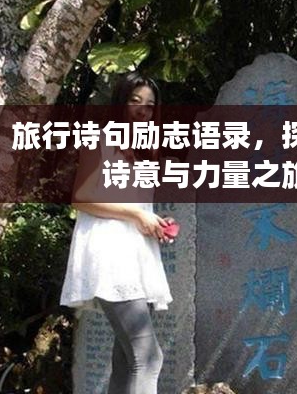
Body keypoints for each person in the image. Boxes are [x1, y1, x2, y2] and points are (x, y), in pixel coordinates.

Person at [60, 73, 175, 394]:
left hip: (136, 255)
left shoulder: (146, 149)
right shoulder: (100, 139)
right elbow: (81, 198)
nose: (142, 110)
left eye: (149, 105)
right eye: (134, 101)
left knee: (127, 360)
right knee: (148, 358)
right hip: (108, 253)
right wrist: (135, 214)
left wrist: (154, 221)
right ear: (120, 103)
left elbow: (134, 205)